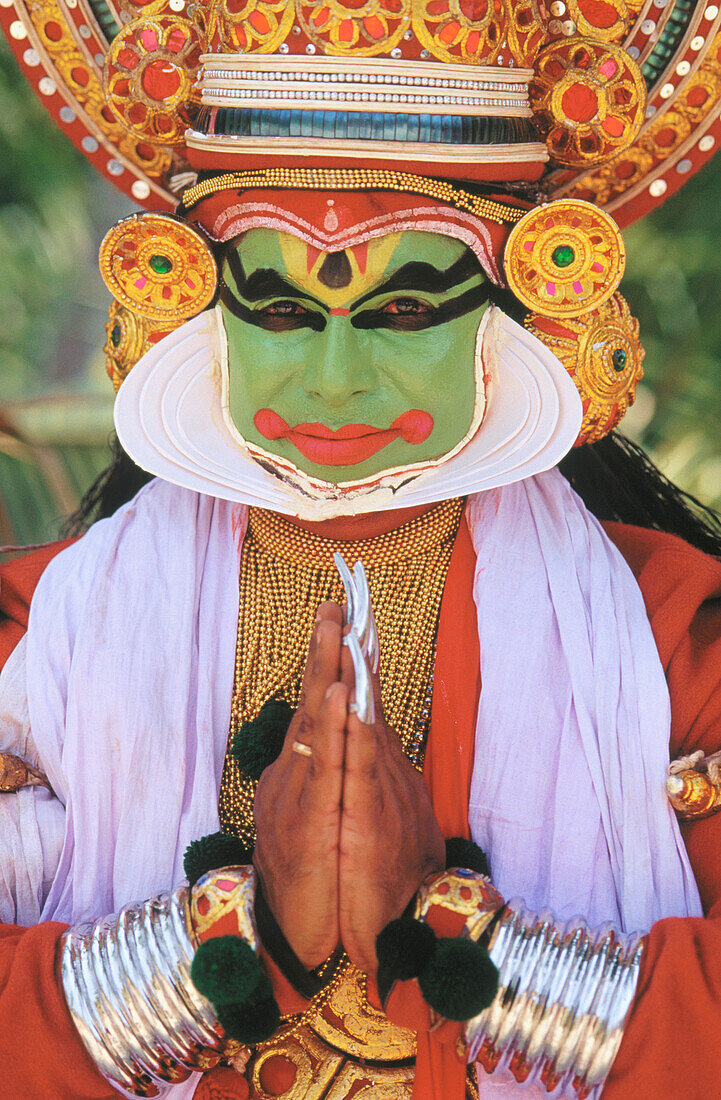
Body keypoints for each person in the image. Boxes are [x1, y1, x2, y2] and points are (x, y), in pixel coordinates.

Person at [1, 1, 721, 1098]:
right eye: (281, 310)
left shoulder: (670, 633)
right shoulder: (33, 638)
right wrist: (236, 946)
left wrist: (453, 931)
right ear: (196, 305)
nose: (334, 382)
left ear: (517, 304)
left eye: (403, 312)